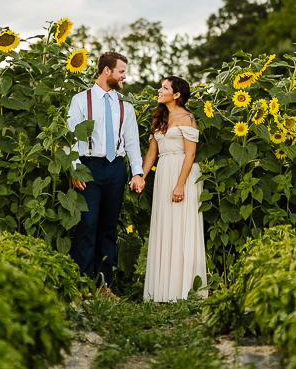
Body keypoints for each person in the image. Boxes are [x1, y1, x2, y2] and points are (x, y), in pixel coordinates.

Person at [67, 51, 146, 291]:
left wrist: (137, 173)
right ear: (107, 71)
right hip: (88, 166)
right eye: (121, 71)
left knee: (108, 228)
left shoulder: (125, 106)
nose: (125, 76)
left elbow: (132, 142)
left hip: (115, 169)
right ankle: (80, 286)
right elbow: (71, 138)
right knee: (87, 224)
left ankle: (104, 286)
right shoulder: (81, 100)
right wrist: (75, 169)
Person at [141, 76, 207, 302]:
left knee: (182, 227)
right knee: (165, 226)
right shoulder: (160, 118)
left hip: (182, 174)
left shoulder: (187, 117)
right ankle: (163, 290)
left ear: (177, 94)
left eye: (165, 87)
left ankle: (184, 289)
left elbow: (190, 154)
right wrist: (141, 176)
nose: (160, 90)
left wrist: (180, 184)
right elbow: (152, 153)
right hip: (163, 173)